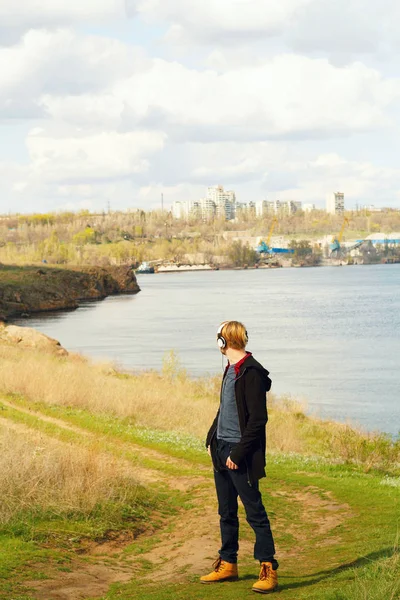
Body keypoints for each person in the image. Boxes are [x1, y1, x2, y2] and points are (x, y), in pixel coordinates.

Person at [200, 320, 278, 594]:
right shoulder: (230, 370)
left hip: (239, 453)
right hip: (220, 449)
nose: (217, 342)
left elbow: (258, 420)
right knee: (226, 512)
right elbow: (225, 409)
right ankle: (228, 564)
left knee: (254, 511)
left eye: (218, 337)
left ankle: (268, 569)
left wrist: (238, 452)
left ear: (224, 341)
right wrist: (212, 438)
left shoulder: (251, 372)